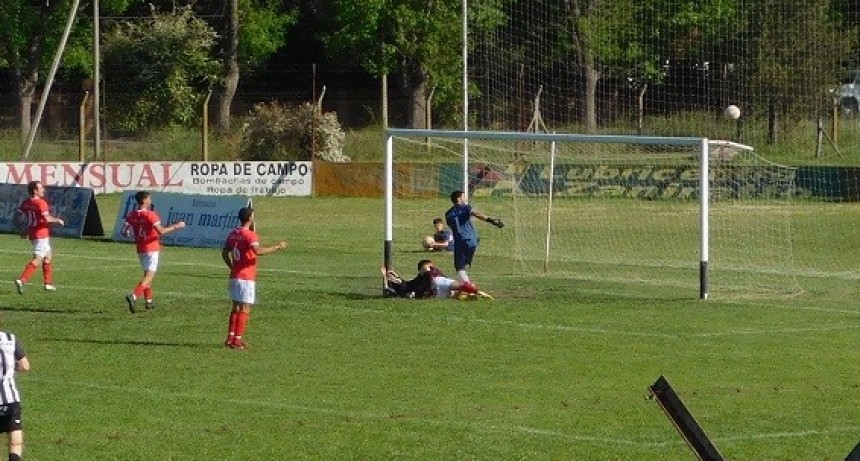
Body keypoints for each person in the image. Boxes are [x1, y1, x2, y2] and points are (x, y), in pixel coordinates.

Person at [222, 207, 288, 350]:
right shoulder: (250, 235)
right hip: (246, 277)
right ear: (250, 218)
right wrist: (277, 247)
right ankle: (237, 341)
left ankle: (230, 338)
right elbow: (257, 251)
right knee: (245, 308)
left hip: (235, 275)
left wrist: (232, 266)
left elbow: (224, 253)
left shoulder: (233, 233)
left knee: (236, 307)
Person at [122, 191, 187, 314]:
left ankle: (149, 300)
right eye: (149, 198)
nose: (151, 200)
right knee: (150, 275)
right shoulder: (151, 215)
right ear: (145, 200)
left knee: (147, 274)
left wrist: (128, 232)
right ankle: (134, 295)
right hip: (151, 248)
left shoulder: (132, 214)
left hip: (141, 248)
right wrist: (177, 226)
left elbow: (124, 231)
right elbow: (161, 231)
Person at [444, 190, 504, 292]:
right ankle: (468, 287)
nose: (465, 199)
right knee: (463, 265)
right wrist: (492, 220)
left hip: (460, 243)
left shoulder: (448, 214)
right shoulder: (466, 207)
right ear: (458, 199)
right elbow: (476, 213)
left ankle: (469, 288)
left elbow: (452, 226)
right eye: (463, 196)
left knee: (459, 268)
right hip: (472, 241)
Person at [13, 181, 64, 294]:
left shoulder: (26, 203)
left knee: (48, 256)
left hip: (33, 233)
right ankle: (22, 280)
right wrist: (58, 220)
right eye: (41, 188)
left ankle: (48, 283)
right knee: (38, 259)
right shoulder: (41, 203)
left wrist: (23, 230)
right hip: (41, 234)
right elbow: (47, 219)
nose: (43, 190)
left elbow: (17, 216)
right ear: (35, 191)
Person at [383, 259, 490, 300]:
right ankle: (477, 292)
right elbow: (426, 268)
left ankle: (466, 295)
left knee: (456, 293)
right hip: (439, 283)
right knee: (461, 286)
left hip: (435, 293)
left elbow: (403, 286)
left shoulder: (415, 282)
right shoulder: (427, 270)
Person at [0, 326, 31, 461]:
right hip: (11, 399)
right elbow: (25, 366)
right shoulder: (10, 339)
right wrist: (12, 368)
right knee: (15, 438)